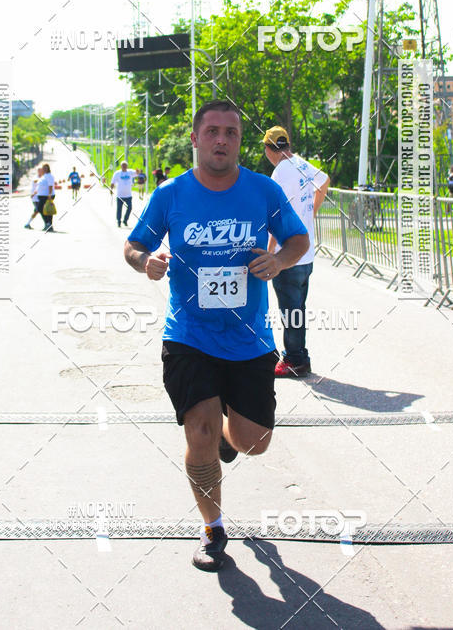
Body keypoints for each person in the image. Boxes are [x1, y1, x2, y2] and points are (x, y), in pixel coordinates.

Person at [124, 100, 308, 572]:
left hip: (249, 340)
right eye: (212, 132)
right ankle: (212, 527)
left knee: (254, 442)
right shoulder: (171, 194)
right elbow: (133, 244)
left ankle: (232, 435)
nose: (222, 140)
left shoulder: (264, 191)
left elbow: (298, 239)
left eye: (230, 132)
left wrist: (281, 261)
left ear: (240, 141)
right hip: (188, 335)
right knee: (199, 430)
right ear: (196, 139)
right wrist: (144, 261)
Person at [263, 126, 330, 378]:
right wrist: (312, 209)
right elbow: (324, 181)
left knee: (290, 311)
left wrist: (270, 255)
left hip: (287, 255)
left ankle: (295, 360)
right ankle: (299, 356)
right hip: (307, 254)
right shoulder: (301, 163)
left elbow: (274, 217)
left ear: (270, 149)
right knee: (297, 308)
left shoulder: (279, 173)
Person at [110, 161, 137, 227]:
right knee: (119, 209)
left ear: (127, 166)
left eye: (125, 165)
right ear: (121, 166)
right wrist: (111, 189)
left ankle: (125, 220)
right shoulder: (117, 173)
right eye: (123, 165)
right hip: (120, 195)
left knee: (130, 208)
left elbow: (137, 173)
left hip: (128, 195)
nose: (124, 167)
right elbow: (112, 182)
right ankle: (119, 221)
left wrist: (138, 171)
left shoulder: (130, 172)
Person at [36, 162, 55, 231]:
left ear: (48, 168)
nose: (44, 169)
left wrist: (49, 194)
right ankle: (47, 223)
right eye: (43, 167)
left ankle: (49, 224)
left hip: (47, 195)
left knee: (46, 209)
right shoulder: (44, 176)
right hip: (42, 195)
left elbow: (50, 185)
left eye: (45, 167)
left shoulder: (49, 176)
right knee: (43, 209)